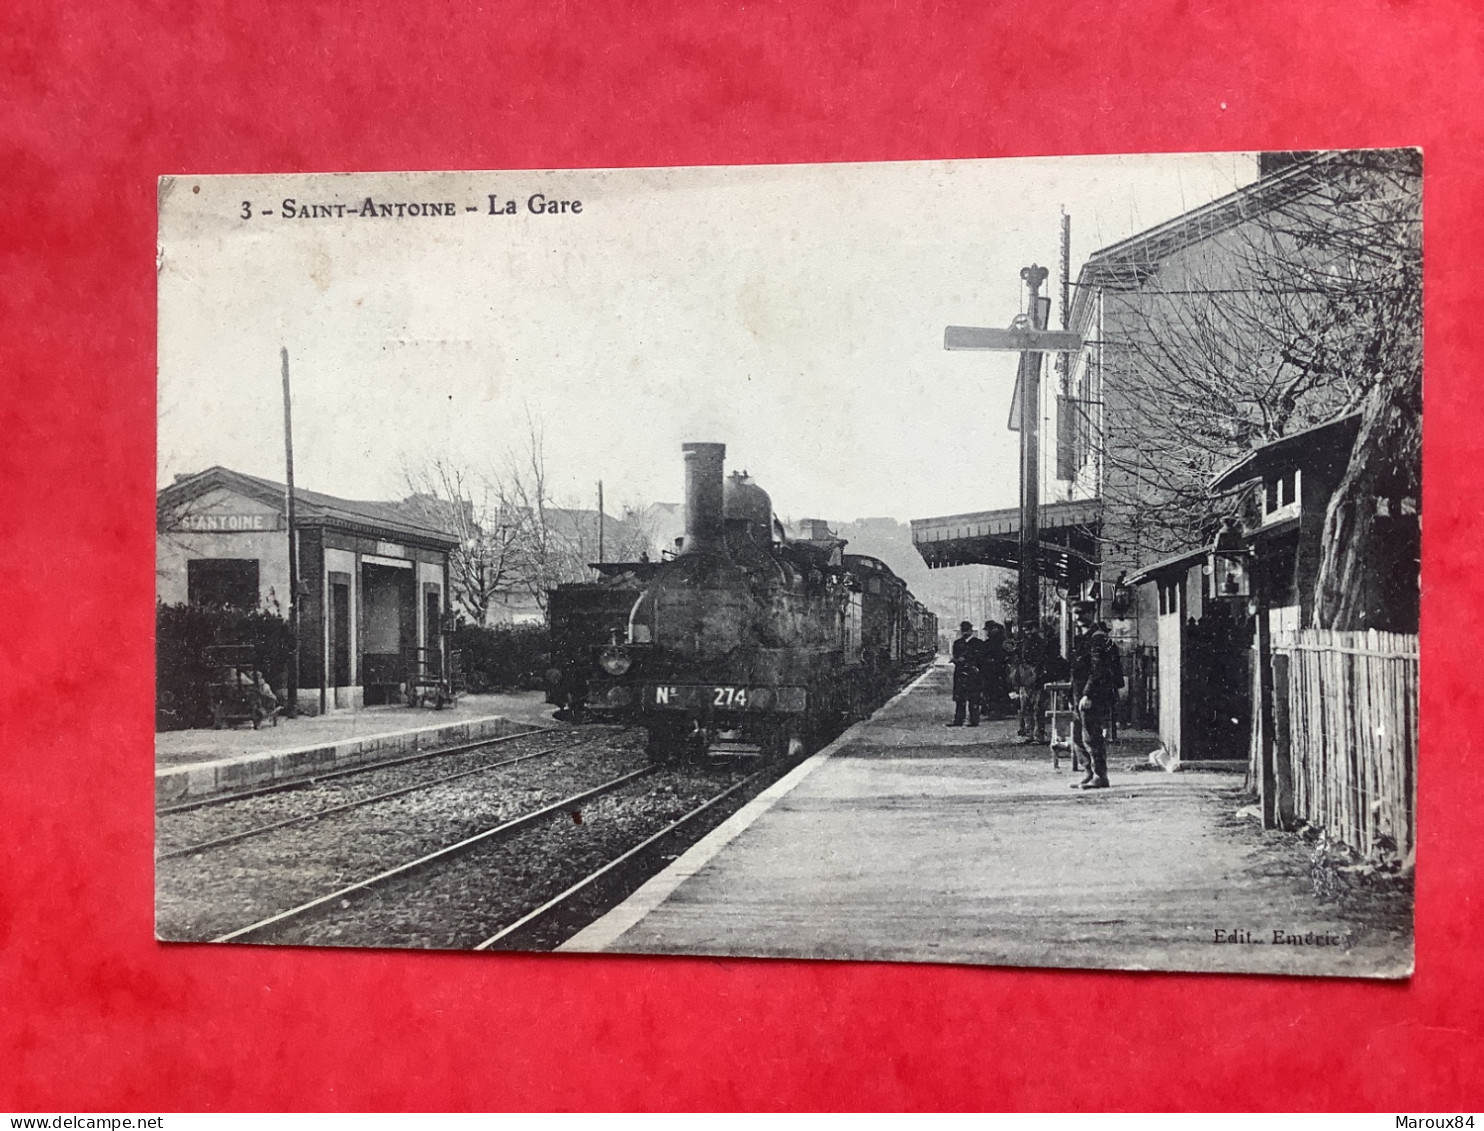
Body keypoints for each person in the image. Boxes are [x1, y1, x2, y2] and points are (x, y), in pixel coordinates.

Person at [1069, 599, 1117, 789]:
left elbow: (1098, 669)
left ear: (1092, 613)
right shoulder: (1084, 636)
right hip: (1078, 694)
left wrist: (1088, 694)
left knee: (1091, 736)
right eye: (1076, 614)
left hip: (1091, 695)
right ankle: (1088, 772)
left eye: (1082, 613)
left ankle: (1100, 776)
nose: (1079, 617)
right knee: (1078, 737)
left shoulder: (1097, 637)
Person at [1011, 624, 1048, 743]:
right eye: (1026, 629)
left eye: (1031, 629)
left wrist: (1036, 671)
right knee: (1025, 707)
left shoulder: (1042, 644)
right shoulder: (1022, 644)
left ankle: (1038, 733)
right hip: (1024, 678)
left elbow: (1043, 660)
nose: (1029, 632)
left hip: (1038, 679)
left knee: (1038, 707)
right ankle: (1029, 733)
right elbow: (1017, 661)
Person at [947, 621, 983, 727]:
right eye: (963, 630)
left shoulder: (978, 643)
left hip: (973, 673)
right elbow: (955, 656)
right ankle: (959, 720)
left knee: (973, 698)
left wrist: (967, 661)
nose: (965, 632)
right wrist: (957, 660)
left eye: (967, 630)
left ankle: (974, 720)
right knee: (960, 698)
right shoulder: (957, 643)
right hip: (961, 673)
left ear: (971, 630)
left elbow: (980, 658)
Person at [978, 620, 1009, 719]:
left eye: (988, 630)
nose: (987, 632)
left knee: (994, 691)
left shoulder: (998, 642)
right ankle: (994, 710)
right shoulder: (993, 642)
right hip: (992, 670)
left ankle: (996, 711)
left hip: (996, 670)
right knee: (993, 691)